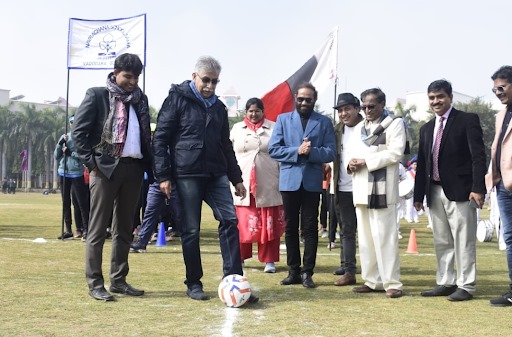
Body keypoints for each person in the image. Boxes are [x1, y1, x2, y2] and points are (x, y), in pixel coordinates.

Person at [152, 56, 258, 303]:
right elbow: (160, 139)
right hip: (186, 173)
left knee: (230, 221)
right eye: (206, 80)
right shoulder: (176, 100)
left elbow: (225, 145)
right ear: (194, 77)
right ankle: (194, 282)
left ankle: (234, 282)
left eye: (215, 81)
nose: (210, 86)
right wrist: (164, 176)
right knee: (191, 230)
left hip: (216, 174)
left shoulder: (219, 108)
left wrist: (236, 178)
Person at [72, 53, 153, 301]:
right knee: (97, 230)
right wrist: (92, 163)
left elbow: (145, 136)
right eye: (128, 76)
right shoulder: (96, 95)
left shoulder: (141, 99)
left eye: (136, 77)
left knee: (125, 230)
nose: (132, 81)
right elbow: (79, 134)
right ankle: (95, 283)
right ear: (115, 72)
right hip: (105, 169)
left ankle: (119, 280)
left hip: (134, 169)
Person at [414, 79, 486, 302]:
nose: (436, 101)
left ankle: (466, 285)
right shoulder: (426, 128)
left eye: (440, 97)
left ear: (450, 97)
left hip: (461, 191)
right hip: (433, 190)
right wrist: (418, 196)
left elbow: (478, 156)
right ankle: (446, 281)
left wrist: (477, 188)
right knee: (442, 239)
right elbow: (423, 164)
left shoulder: (466, 120)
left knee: (463, 240)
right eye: (432, 98)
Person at [269, 82, 336, 289]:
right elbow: (273, 149)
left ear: (314, 100)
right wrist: (296, 151)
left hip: (312, 182)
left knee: (309, 228)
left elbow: (331, 152)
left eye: (308, 99)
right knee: (290, 227)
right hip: (289, 182)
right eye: (301, 99)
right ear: (295, 99)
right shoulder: (283, 120)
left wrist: (312, 152)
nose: (304, 102)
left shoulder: (324, 122)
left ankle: (308, 272)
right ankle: (293, 271)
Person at [348, 88, 406, 298]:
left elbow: (396, 152)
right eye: (364, 106)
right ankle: (372, 280)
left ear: (382, 104)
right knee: (365, 239)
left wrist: (366, 161)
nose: (367, 110)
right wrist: (352, 163)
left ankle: (392, 283)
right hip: (361, 186)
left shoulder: (394, 123)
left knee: (385, 237)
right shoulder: (359, 128)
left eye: (371, 106)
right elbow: (352, 153)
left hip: (382, 188)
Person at [229, 97, 285, 274]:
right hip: (242, 181)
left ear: (263, 111)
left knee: (268, 222)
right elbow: (228, 153)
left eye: (257, 111)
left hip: (268, 180)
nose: (254, 114)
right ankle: (240, 257)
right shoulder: (237, 129)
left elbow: (281, 153)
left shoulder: (274, 127)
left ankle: (269, 260)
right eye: (250, 111)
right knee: (242, 222)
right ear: (246, 112)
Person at [331, 93, 363, 286]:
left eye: (347, 109)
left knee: (366, 231)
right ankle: (348, 268)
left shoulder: (368, 128)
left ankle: (364, 269)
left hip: (365, 187)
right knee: (346, 230)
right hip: (342, 187)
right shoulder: (337, 130)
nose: (344, 113)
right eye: (340, 110)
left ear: (357, 108)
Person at [488, 66, 512, 306]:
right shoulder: (501, 115)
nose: (497, 92)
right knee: (510, 237)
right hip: (503, 186)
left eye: (501, 87)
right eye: (494, 89)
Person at [54, 115, 90, 240]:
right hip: (63, 172)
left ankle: (85, 229)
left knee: (81, 202)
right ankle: (68, 229)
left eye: (75, 122)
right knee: (65, 202)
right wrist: (60, 144)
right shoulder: (65, 137)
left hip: (76, 173)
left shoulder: (81, 138)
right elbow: (56, 156)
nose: (72, 124)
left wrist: (70, 153)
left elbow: (82, 156)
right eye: (71, 122)